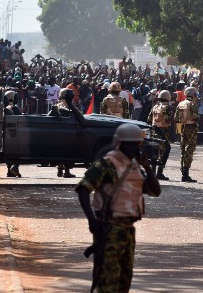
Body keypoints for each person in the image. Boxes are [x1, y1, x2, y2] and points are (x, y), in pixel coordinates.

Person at [76, 123, 161, 293]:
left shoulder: (135, 166)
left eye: (136, 144)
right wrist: (92, 221)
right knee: (107, 280)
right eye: (128, 144)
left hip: (128, 230)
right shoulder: (107, 164)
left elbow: (155, 191)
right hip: (109, 228)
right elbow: (83, 189)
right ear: (119, 143)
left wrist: (147, 167)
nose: (133, 148)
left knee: (124, 280)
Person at [174, 86, 198, 182]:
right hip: (191, 128)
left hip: (183, 127)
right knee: (190, 149)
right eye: (195, 94)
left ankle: (183, 171)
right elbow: (196, 117)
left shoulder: (180, 104)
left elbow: (176, 119)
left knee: (183, 149)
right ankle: (186, 174)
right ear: (192, 95)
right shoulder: (191, 104)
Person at [148, 90, 173, 181]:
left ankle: (153, 171)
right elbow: (167, 120)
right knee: (165, 150)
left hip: (154, 131)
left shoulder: (155, 107)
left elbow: (149, 119)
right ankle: (160, 172)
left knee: (155, 151)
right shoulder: (167, 108)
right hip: (164, 131)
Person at [56, 88, 77, 178]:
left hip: (62, 131)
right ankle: (66, 171)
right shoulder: (63, 106)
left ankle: (61, 169)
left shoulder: (61, 104)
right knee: (68, 152)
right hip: (66, 131)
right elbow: (68, 113)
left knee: (62, 152)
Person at [4, 90, 22, 178]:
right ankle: (15, 167)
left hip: (7, 134)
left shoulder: (5, 108)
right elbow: (21, 118)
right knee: (18, 151)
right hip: (13, 133)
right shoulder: (13, 107)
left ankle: (9, 171)